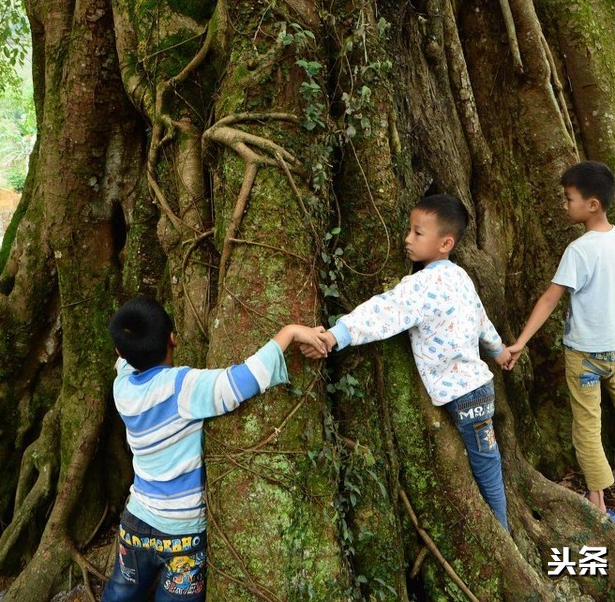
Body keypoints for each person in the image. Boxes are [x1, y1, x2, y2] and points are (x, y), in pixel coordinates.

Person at [300, 193, 510, 529]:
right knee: (488, 461)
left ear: (445, 243)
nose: (407, 240)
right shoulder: (460, 277)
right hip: (479, 388)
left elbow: (382, 311)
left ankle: (501, 532)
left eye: (417, 233)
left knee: (486, 465)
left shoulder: (422, 285)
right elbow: (481, 319)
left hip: (466, 396)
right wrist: (498, 350)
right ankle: (502, 529)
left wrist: (335, 335)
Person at [101, 296, 329, 602]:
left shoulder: (122, 385)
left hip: (136, 522)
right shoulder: (183, 387)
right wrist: (288, 332)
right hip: (182, 534)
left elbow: (125, 355)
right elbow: (243, 380)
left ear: (120, 353)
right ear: (173, 338)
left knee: (120, 594)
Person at [499, 162, 615, 518]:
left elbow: (551, 297)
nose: (564, 205)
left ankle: (598, 499)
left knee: (586, 422)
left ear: (592, 204)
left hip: (583, 354)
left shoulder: (579, 250)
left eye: (569, 199)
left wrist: (520, 341)